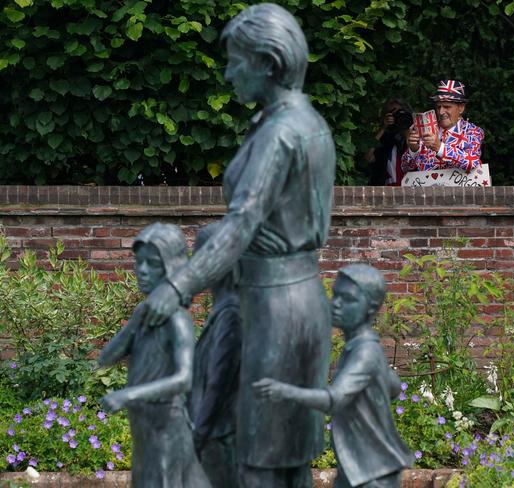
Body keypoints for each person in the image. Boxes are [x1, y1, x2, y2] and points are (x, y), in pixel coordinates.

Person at [140, 4, 336, 487]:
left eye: (235, 61)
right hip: (303, 299)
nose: (228, 73)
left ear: (269, 62)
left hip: (273, 308)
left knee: (260, 459)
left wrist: (178, 285)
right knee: (287, 458)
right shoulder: (310, 123)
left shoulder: (280, 134)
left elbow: (241, 223)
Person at [253, 264, 413, 488]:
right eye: (336, 295)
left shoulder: (365, 352)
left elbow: (334, 400)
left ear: (371, 308)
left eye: (347, 299)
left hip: (371, 472)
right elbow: (394, 387)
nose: (336, 303)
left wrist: (282, 390)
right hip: (359, 465)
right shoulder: (361, 348)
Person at [98, 223, 210, 488]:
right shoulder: (143, 315)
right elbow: (106, 357)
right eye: (139, 262)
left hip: (167, 428)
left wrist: (128, 394)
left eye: (153, 264)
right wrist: (136, 320)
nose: (143, 271)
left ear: (170, 268)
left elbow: (184, 379)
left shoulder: (177, 320)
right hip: (144, 424)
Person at [187, 223, 241, 488]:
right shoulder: (222, 311)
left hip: (219, 439)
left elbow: (219, 385)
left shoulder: (231, 315)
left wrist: (198, 435)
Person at [401, 80, 484, 174]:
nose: (441, 112)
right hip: (426, 188)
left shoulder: (473, 132)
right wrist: (413, 150)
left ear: (461, 108)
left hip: (459, 189)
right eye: (438, 107)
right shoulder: (426, 128)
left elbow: (472, 162)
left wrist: (440, 147)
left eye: (447, 106)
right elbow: (405, 168)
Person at [366, 98, 413, 186]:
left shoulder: (416, 136)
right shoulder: (384, 138)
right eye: (393, 114)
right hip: (386, 190)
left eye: (401, 113)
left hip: (410, 189)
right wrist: (383, 128)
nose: (398, 116)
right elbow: (368, 158)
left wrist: (407, 128)